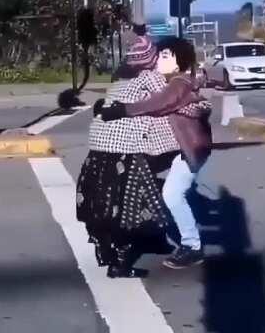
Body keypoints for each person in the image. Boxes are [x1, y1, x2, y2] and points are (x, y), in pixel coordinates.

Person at [76, 36, 207, 278]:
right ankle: (130, 259)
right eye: (159, 55)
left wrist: (117, 109)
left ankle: (131, 249)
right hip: (128, 151)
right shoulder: (153, 79)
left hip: (102, 152)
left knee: (118, 203)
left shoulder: (121, 80)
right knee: (133, 206)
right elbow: (161, 103)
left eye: (166, 56)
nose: (161, 60)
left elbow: (164, 103)